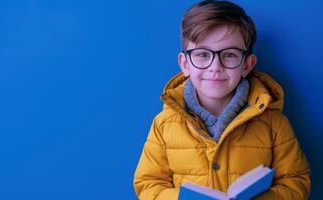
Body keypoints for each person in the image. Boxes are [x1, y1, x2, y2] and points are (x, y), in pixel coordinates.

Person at [133, 0, 311, 199]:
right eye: (202, 54)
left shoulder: (273, 123)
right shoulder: (164, 124)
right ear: (185, 64)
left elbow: (296, 180)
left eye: (229, 55)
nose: (215, 66)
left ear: (247, 65)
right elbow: (148, 185)